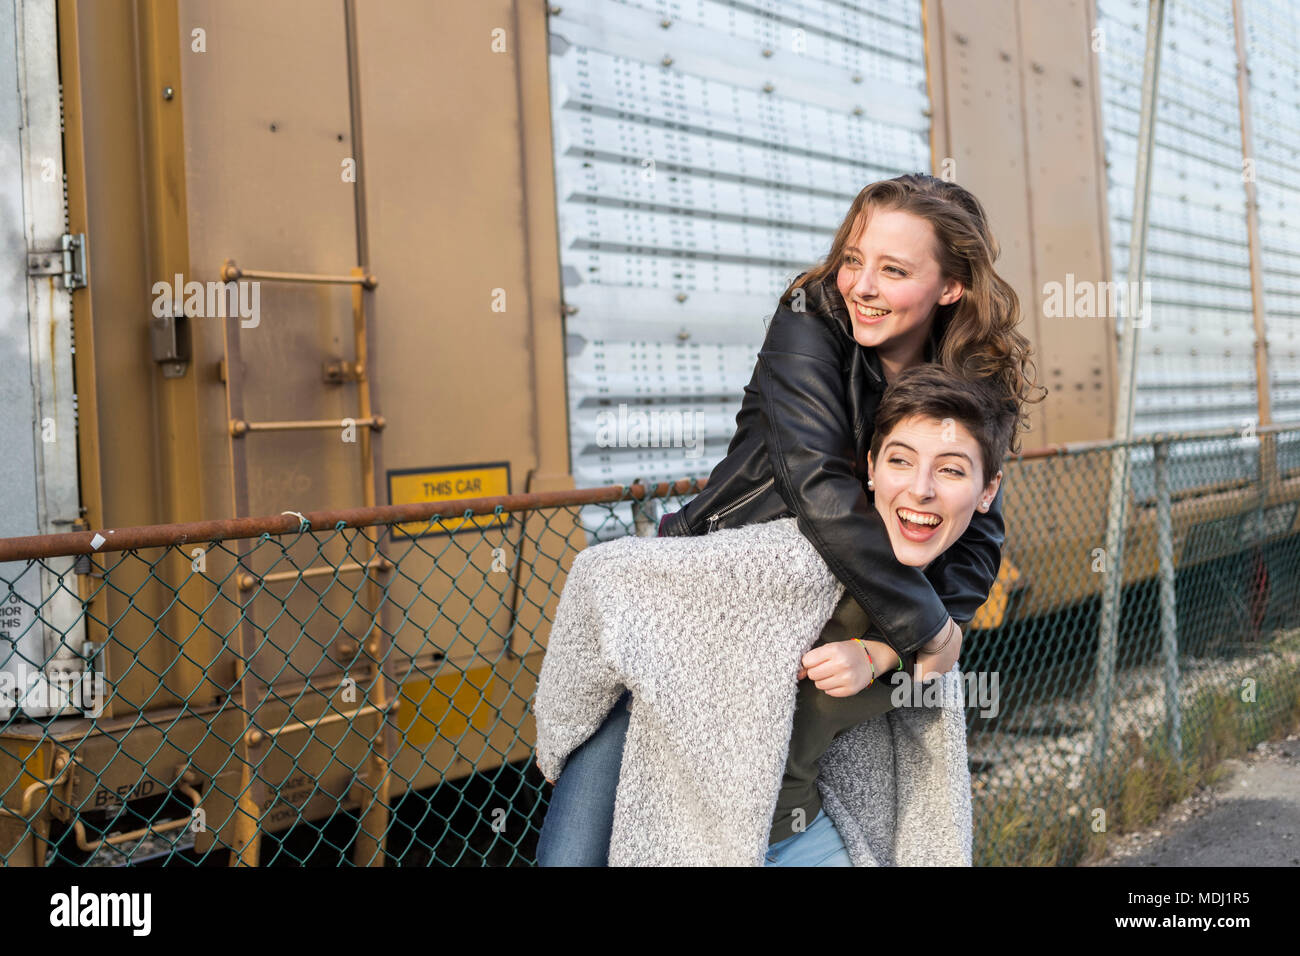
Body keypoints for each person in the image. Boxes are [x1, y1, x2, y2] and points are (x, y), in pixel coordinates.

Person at [535, 173, 1045, 866]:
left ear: (951, 286)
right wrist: (924, 628)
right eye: (854, 258)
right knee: (584, 844)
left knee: (781, 799)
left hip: (846, 604)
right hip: (722, 590)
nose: (861, 284)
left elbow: (981, 531)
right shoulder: (811, 317)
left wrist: (908, 642)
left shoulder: (978, 379)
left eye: (893, 270)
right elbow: (818, 482)